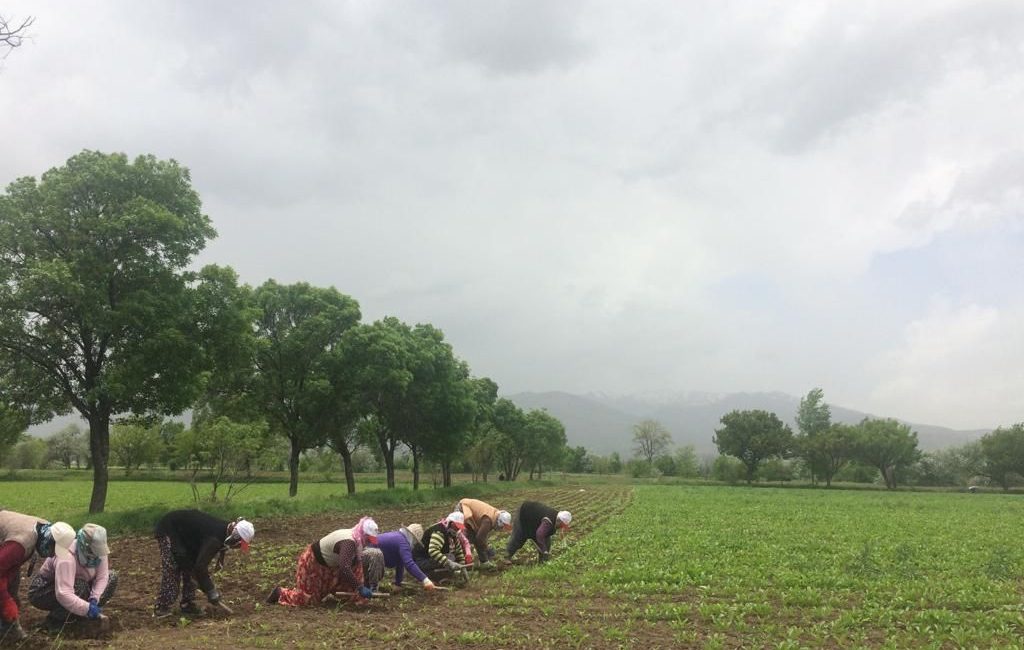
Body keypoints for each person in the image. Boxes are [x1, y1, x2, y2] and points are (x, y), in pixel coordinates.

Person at [152, 510, 254, 618]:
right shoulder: (215, 539)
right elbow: (200, 567)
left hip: (187, 538)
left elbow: (198, 567)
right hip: (170, 528)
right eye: (239, 544)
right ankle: (162, 607)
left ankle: (188, 605)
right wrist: (211, 591)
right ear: (235, 536)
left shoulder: (223, 532)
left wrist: (204, 584)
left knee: (191, 568)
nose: (237, 547)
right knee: (173, 567)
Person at [267, 517, 379, 607]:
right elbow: (345, 567)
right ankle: (280, 593)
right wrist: (359, 587)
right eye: (368, 540)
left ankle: (343, 593)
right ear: (363, 535)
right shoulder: (349, 543)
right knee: (309, 600)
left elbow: (354, 564)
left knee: (356, 598)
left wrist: (362, 585)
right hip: (315, 563)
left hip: (333, 566)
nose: (368, 543)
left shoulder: (357, 542)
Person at [28, 523, 117, 634]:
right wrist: (87, 608)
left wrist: (94, 598)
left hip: (77, 585)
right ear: (84, 545)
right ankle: (55, 620)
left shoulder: (99, 552)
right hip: (42, 590)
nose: (97, 554)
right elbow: (63, 593)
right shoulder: (66, 556)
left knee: (111, 577)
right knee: (80, 585)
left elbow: (102, 576)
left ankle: (77, 614)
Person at [0, 509, 56, 642]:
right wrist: (6, 600)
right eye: (53, 550)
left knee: (12, 583)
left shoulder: (45, 529)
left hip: (6, 543)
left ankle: (9, 628)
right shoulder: (20, 544)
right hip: (9, 544)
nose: (52, 554)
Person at [371, 524, 436, 591]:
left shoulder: (399, 536)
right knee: (375, 573)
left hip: (369, 554)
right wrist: (425, 580)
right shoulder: (403, 543)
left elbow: (400, 562)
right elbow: (409, 564)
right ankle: (370, 587)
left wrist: (398, 583)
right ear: (413, 537)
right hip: (369, 557)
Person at [506, 502, 571, 563]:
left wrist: (545, 549)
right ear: (559, 521)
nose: (561, 527)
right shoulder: (548, 522)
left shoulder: (556, 518)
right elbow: (539, 535)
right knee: (519, 538)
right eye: (561, 525)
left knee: (546, 542)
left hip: (535, 522)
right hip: (523, 515)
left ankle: (542, 561)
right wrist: (544, 550)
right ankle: (506, 557)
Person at [414, 512, 472, 578]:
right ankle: (426, 574)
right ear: (451, 523)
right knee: (450, 559)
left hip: (430, 559)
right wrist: (449, 563)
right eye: (456, 527)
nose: (457, 529)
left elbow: (459, 552)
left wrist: (462, 567)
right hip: (421, 560)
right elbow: (433, 551)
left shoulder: (453, 534)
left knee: (451, 557)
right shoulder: (439, 532)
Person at [454, 499, 512, 565]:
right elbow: (479, 539)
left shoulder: (495, 515)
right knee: (466, 538)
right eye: (502, 526)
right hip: (464, 509)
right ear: (499, 521)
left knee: (475, 537)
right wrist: (487, 550)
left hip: (470, 513)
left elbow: (481, 537)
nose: (501, 528)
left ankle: (482, 561)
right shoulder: (488, 521)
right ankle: (461, 562)